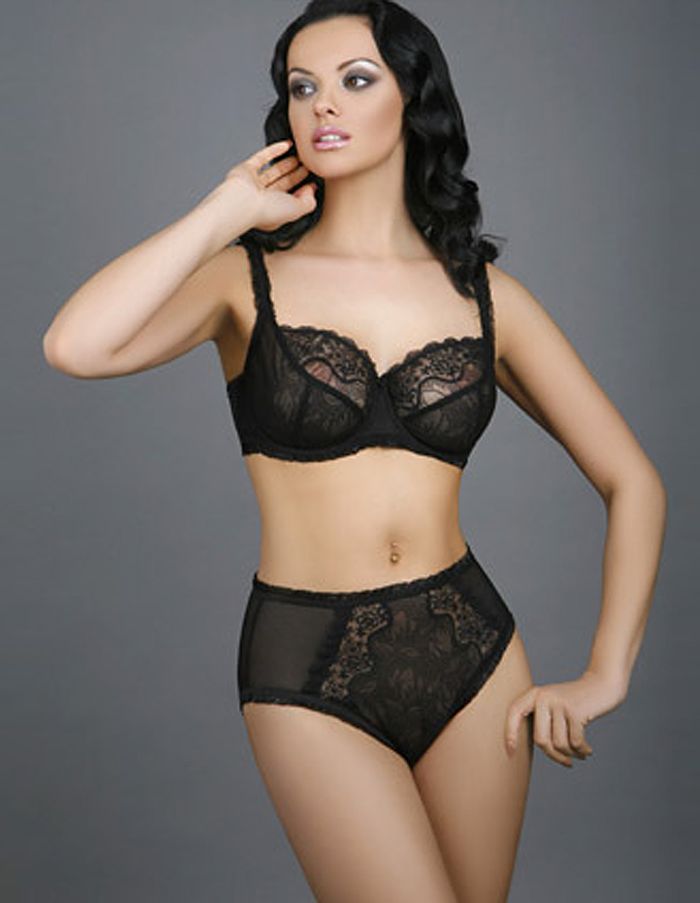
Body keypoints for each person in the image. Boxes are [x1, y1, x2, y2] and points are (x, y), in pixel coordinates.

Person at [42, 1, 667, 900]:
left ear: (413, 99)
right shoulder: (242, 281)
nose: (322, 105)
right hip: (306, 660)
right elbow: (75, 345)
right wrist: (224, 210)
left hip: (472, 651)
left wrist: (606, 672)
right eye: (302, 88)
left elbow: (632, 479)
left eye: (355, 80)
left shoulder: (486, 297)